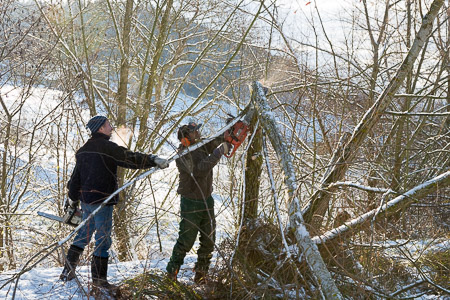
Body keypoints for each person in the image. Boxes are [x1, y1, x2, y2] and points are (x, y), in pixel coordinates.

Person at [60, 115, 169, 289]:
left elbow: (75, 180)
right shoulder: (107, 148)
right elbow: (130, 158)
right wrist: (152, 159)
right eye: (108, 125)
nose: (111, 128)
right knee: (103, 240)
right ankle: (99, 280)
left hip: (86, 201)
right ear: (100, 129)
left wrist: (72, 200)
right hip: (103, 201)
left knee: (83, 235)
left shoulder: (83, 151)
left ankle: (67, 272)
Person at [166, 122, 231, 283]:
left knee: (209, 239)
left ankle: (201, 273)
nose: (199, 133)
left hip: (206, 199)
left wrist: (229, 131)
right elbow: (200, 170)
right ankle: (171, 272)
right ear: (186, 138)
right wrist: (219, 152)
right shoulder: (182, 155)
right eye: (195, 132)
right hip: (190, 201)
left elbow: (216, 141)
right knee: (186, 240)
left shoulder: (201, 145)